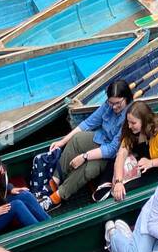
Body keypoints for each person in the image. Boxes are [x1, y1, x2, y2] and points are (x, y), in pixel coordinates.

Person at [41, 78, 134, 208]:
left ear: (126, 98)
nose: (113, 107)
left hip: (110, 155)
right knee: (77, 139)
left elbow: (112, 149)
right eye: (111, 103)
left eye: (117, 103)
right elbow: (88, 123)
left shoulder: (130, 115)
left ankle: (58, 196)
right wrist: (62, 142)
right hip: (100, 138)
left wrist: (84, 156)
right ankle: (56, 179)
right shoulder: (108, 105)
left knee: (88, 168)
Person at [99, 102, 158, 203]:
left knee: (125, 190)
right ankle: (104, 193)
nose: (129, 126)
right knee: (112, 164)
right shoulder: (131, 129)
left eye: (133, 123)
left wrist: (151, 163)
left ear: (145, 121)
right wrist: (118, 181)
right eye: (128, 122)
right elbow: (121, 154)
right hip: (144, 161)